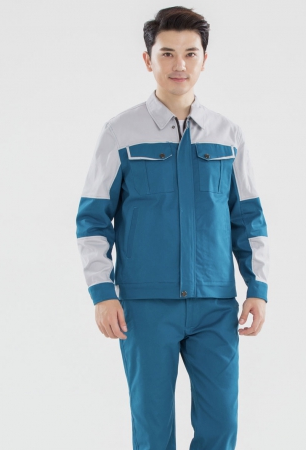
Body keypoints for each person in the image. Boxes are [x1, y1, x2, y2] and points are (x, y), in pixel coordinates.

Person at [75, 6, 270, 449]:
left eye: (190, 53)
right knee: (152, 430)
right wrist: (102, 293)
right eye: (167, 53)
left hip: (215, 306)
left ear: (204, 59)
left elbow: (248, 218)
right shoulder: (120, 132)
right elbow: (92, 219)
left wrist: (257, 287)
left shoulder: (228, 135)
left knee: (221, 427)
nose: (179, 64)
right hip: (145, 308)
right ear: (148, 60)